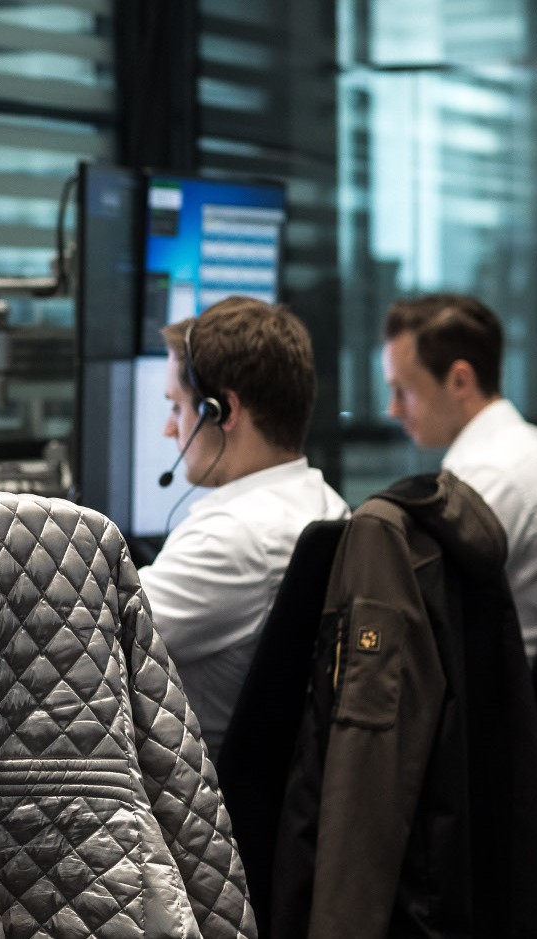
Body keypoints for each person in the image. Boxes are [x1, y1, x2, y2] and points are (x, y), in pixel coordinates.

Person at [137, 297, 349, 755]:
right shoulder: (326, 504)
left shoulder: (233, 537)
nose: (169, 430)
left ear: (222, 412)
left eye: (177, 408)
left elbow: (82, 639)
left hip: (193, 799)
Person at [382, 293, 537, 660]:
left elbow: (418, 621)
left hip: (513, 708)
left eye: (402, 390)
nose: (393, 410)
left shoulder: (487, 480)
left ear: (459, 381)